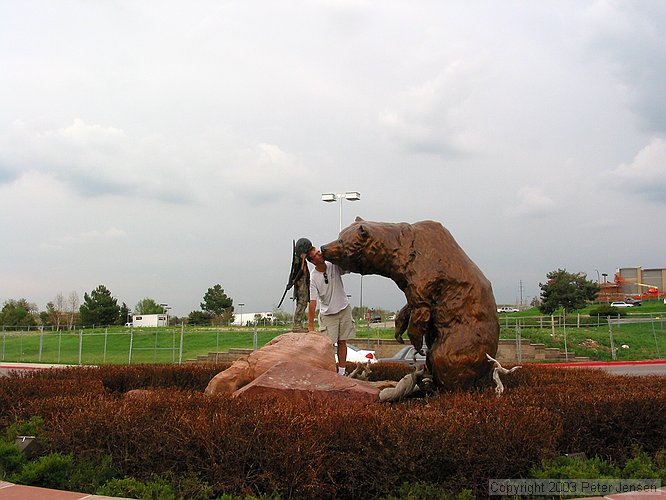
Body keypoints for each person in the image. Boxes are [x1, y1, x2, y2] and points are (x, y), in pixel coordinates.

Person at [306, 246, 355, 375]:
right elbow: (312, 301)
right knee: (328, 346)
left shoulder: (333, 265)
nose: (320, 254)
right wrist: (310, 325)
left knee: (342, 341)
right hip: (328, 315)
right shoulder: (313, 278)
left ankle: (342, 372)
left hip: (344, 308)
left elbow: (347, 267)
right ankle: (330, 373)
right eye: (316, 254)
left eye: (319, 252)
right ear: (312, 261)